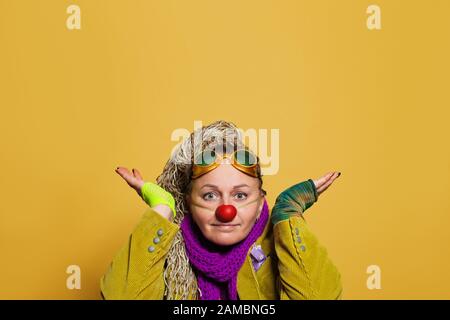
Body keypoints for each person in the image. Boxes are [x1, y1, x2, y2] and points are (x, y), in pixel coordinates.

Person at [100, 120, 342, 300]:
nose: (226, 210)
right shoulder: (169, 252)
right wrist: (162, 211)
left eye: (240, 195)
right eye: (210, 195)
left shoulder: (279, 248)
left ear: (259, 204)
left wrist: (288, 216)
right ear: (189, 204)